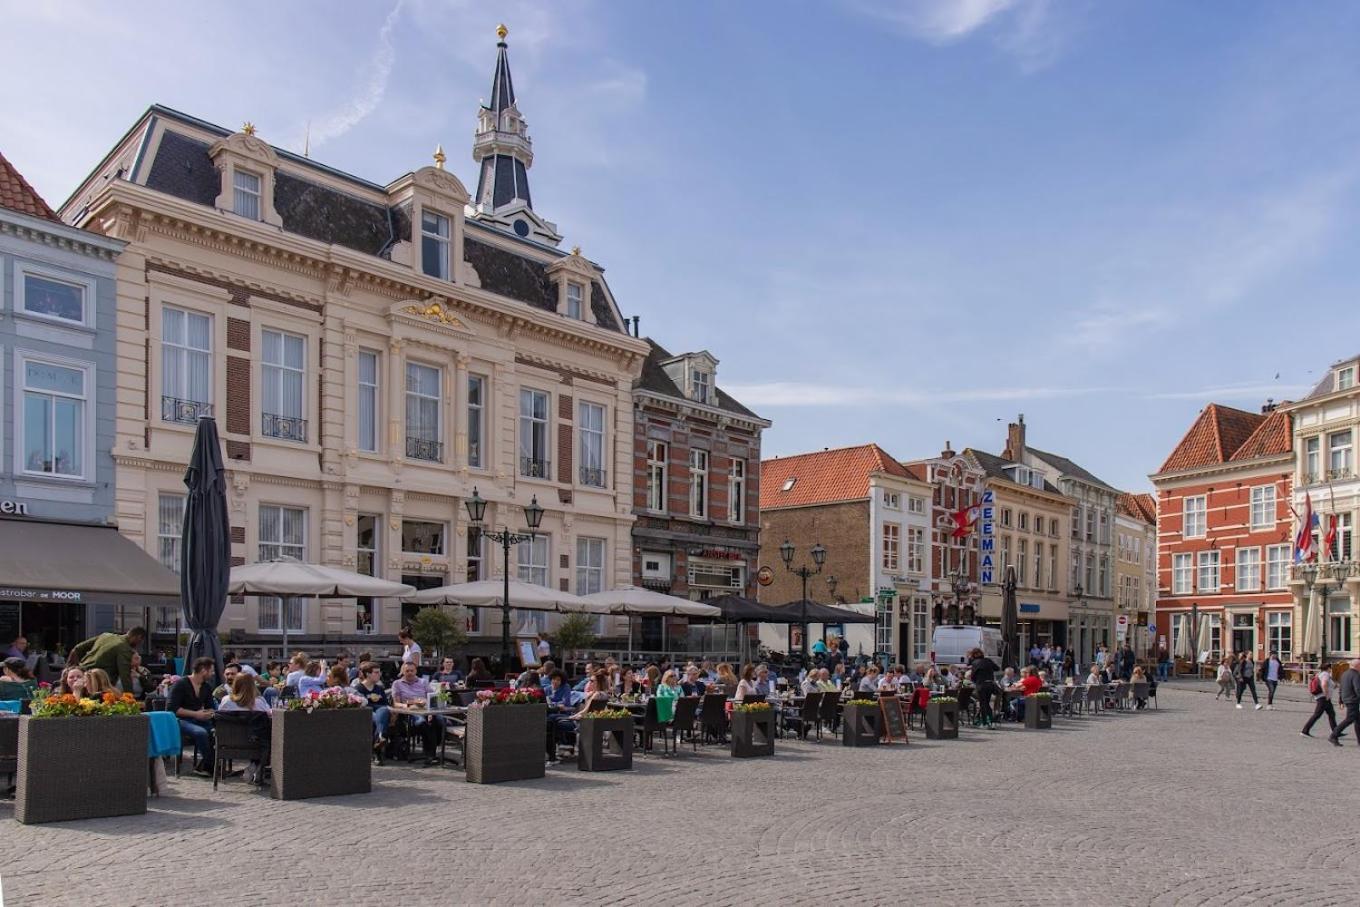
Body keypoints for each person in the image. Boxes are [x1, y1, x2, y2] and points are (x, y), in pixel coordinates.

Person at [216, 672, 272, 783]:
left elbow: (220, 716)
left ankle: (254, 765)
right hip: (255, 743)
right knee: (267, 734)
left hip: (228, 743)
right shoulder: (259, 703)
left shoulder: (226, 701)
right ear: (253, 685)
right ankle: (256, 764)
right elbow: (269, 716)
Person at [169, 657, 217, 776]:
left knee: (215, 731)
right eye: (211, 670)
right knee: (200, 732)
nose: (213, 673)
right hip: (180, 720)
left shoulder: (206, 687)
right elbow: (172, 709)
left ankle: (206, 766)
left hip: (198, 719)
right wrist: (196, 714)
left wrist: (208, 713)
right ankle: (211, 767)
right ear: (203, 670)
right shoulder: (181, 684)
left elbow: (211, 706)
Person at [391, 661, 444, 765]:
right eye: (407, 671)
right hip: (410, 712)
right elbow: (396, 703)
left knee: (440, 720)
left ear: (416, 671)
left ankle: (431, 751)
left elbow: (432, 698)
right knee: (422, 722)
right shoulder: (397, 683)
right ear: (403, 671)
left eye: (412, 670)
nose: (410, 673)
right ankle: (430, 754)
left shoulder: (423, 682)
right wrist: (408, 706)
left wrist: (426, 703)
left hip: (426, 709)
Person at [68, 626, 145, 693]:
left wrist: (69, 668)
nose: (139, 644)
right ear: (138, 637)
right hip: (99, 683)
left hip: (82, 673)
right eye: (141, 641)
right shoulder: (125, 648)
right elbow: (125, 675)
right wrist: (130, 697)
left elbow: (77, 649)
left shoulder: (105, 636)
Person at [352, 661, 391, 752]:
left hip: (381, 712)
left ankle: (379, 739)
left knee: (383, 711)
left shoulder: (379, 688)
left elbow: (385, 703)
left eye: (379, 672)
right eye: (376, 672)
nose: (379, 675)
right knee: (380, 714)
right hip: (366, 713)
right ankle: (379, 740)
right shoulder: (359, 688)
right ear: (368, 674)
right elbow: (362, 704)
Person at [1328, 658, 1360, 747]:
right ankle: (1333, 735)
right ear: (1357, 666)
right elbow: (1358, 688)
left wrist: (1341, 700)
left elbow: (1341, 688)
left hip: (1347, 699)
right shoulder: (1356, 675)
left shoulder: (1345, 674)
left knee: (1358, 720)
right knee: (1349, 719)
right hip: (1353, 699)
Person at [1302, 662, 1336, 739]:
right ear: (1328, 668)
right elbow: (1324, 684)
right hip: (1323, 698)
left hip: (1323, 698)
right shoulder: (1325, 674)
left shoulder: (1320, 674)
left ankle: (1335, 731)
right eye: (1330, 668)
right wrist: (1326, 694)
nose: (1331, 670)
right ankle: (1305, 731)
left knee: (1331, 714)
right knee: (1317, 715)